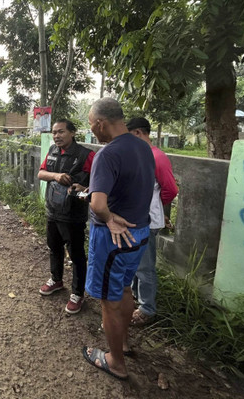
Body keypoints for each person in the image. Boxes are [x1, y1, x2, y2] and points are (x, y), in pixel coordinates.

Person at [81, 97, 155, 381]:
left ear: (100, 123)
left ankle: (115, 362)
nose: (92, 130)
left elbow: (98, 205)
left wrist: (109, 219)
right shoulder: (143, 147)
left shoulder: (107, 154)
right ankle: (122, 343)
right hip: (140, 233)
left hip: (115, 239)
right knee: (124, 289)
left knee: (108, 301)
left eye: (91, 125)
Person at [37, 119, 95, 314]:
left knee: (77, 253)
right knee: (54, 247)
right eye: (54, 133)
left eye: (61, 132)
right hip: (52, 209)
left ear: (72, 132)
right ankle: (56, 280)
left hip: (74, 213)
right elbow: (41, 173)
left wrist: (84, 189)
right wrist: (55, 176)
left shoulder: (87, 155)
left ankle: (78, 293)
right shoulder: (53, 150)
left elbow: (98, 183)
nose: (57, 136)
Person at [126, 117, 178, 326]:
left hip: (147, 221)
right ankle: (137, 299)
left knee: (144, 267)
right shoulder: (139, 155)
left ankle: (147, 308)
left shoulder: (157, 157)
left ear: (138, 133)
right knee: (135, 264)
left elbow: (171, 189)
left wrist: (157, 209)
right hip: (137, 219)